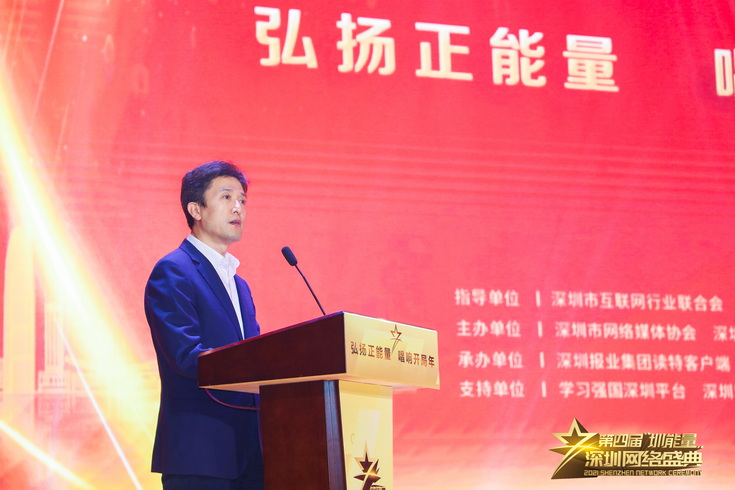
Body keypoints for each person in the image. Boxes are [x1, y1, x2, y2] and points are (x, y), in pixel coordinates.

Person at [144, 161, 264, 489]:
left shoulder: (240, 285)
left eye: (242, 200)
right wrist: (258, 366)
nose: (238, 207)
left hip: (252, 454)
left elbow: (255, 354)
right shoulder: (174, 271)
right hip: (201, 453)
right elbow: (185, 357)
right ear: (195, 209)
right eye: (226, 197)